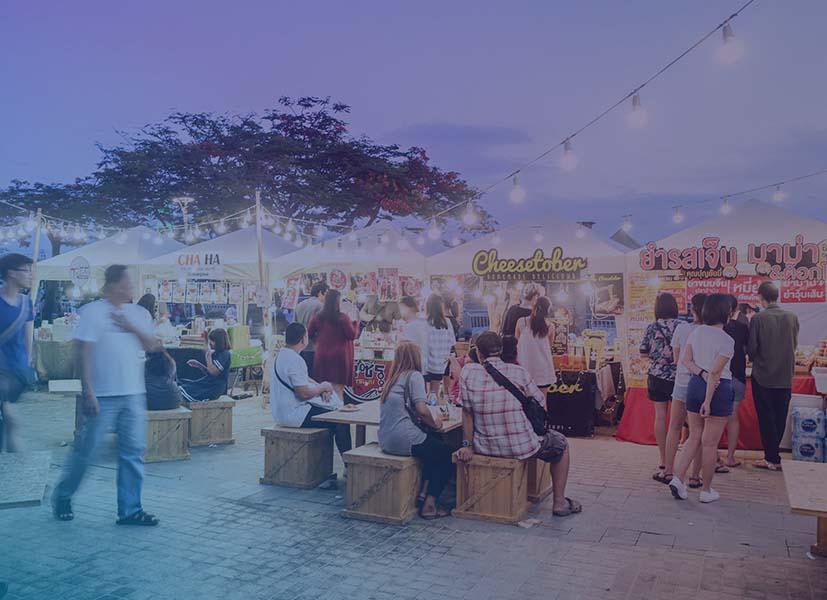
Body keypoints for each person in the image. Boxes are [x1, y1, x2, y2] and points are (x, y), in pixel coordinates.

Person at [54, 265, 161, 525]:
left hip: (134, 393)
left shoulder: (140, 313)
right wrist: (87, 391)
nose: (131, 287)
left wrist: (129, 326)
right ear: (113, 285)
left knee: (133, 451)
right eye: (127, 282)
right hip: (102, 394)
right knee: (87, 451)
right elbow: (84, 354)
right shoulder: (92, 312)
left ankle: (130, 510)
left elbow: (153, 345)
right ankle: (64, 494)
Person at [456, 331, 581, 516]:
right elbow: (541, 404)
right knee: (561, 445)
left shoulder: (468, 373)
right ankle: (560, 503)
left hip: (484, 446)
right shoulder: (519, 372)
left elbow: (466, 413)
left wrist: (467, 446)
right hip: (521, 447)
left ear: (479, 354)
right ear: (501, 351)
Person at [669, 294, 735, 503]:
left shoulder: (696, 333)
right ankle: (706, 490)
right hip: (718, 389)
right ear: (727, 313)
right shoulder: (727, 340)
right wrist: (708, 400)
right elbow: (715, 374)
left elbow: (685, 360)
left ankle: (678, 479)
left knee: (693, 436)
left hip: (694, 385)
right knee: (709, 443)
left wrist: (700, 373)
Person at [378, 341, 452, 519]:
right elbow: (421, 409)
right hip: (404, 439)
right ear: (416, 358)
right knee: (447, 455)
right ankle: (429, 504)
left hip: (385, 438)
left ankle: (423, 491)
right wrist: (437, 423)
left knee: (435, 444)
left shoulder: (393, 378)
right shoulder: (414, 376)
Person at [270, 322, 351, 458]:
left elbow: (305, 379)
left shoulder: (282, 356)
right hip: (295, 415)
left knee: (334, 414)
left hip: (281, 412)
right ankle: (348, 465)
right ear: (303, 339)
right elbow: (304, 394)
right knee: (340, 421)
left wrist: (322, 387)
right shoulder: (295, 360)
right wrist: (324, 387)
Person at [748, 282, 799, 471]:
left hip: (763, 376)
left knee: (766, 417)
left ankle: (771, 458)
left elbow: (752, 350)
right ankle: (773, 456)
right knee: (780, 416)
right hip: (785, 376)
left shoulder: (758, 318)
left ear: (761, 297)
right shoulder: (792, 317)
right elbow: (793, 344)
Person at [660, 293, 707, 486]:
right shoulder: (710, 332)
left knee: (674, 427)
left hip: (681, 383)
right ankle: (695, 477)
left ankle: (669, 472)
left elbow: (677, 358)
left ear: (693, 309)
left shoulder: (682, 328)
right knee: (699, 431)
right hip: (701, 385)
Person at [639, 293, 680, 481]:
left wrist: (659, 359)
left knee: (661, 417)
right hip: (679, 377)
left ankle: (663, 460)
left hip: (657, 376)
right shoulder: (682, 326)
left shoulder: (651, 327)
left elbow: (643, 353)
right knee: (679, 421)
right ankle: (676, 462)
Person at [0, 253, 34, 452]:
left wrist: (28, 362)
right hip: (1, 372)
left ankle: (14, 471)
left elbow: (28, 337)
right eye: (26, 270)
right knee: (12, 420)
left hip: (18, 373)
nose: (30, 275)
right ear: (12, 274)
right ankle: (19, 470)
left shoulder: (26, 303)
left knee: (11, 420)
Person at [307, 289, 358, 401]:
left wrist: (318, 341)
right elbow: (352, 335)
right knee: (338, 391)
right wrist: (354, 323)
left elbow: (309, 333)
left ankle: (325, 414)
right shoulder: (343, 318)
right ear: (337, 302)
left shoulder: (317, 317)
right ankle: (338, 415)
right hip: (339, 358)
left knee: (323, 391)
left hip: (321, 356)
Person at [723, 294, 749, 468]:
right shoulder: (742, 327)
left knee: (714, 418)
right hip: (738, 375)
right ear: (735, 309)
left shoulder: (715, 329)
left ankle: (713, 455)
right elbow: (747, 350)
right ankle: (730, 457)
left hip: (720, 377)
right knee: (733, 418)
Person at [179, 328, 232, 402]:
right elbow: (209, 373)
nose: (210, 343)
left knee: (190, 391)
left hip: (214, 387)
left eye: (212, 341)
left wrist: (208, 356)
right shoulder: (216, 353)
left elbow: (214, 372)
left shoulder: (224, 354)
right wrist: (199, 365)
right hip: (209, 382)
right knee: (183, 384)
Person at [515, 295, 557, 387]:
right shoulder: (550, 326)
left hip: (524, 368)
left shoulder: (521, 322)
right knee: (542, 400)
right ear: (548, 310)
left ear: (534, 306)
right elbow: (549, 347)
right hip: (543, 371)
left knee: (523, 399)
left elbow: (516, 343)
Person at [423, 293, 455, 397]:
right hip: (440, 364)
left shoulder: (424, 322)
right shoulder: (447, 322)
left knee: (423, 394)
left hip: (425, 364)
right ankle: (432, 411)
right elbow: (452, 342)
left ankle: (424, 411)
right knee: (434, 393)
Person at [294, 282, 328, 376]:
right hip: (315, 349)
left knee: (304, 377)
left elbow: (294, 326)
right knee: (316, 380)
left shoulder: (299, 305)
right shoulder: (321, 306)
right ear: (321, 293)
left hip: (300, 349)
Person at [398, 296, 429, 367]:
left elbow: (404, 347)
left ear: (408, 308)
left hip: (414, 365)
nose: (400, 311)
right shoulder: (422, 323)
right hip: (423, 364)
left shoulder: (412, 326)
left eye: (401, 308)